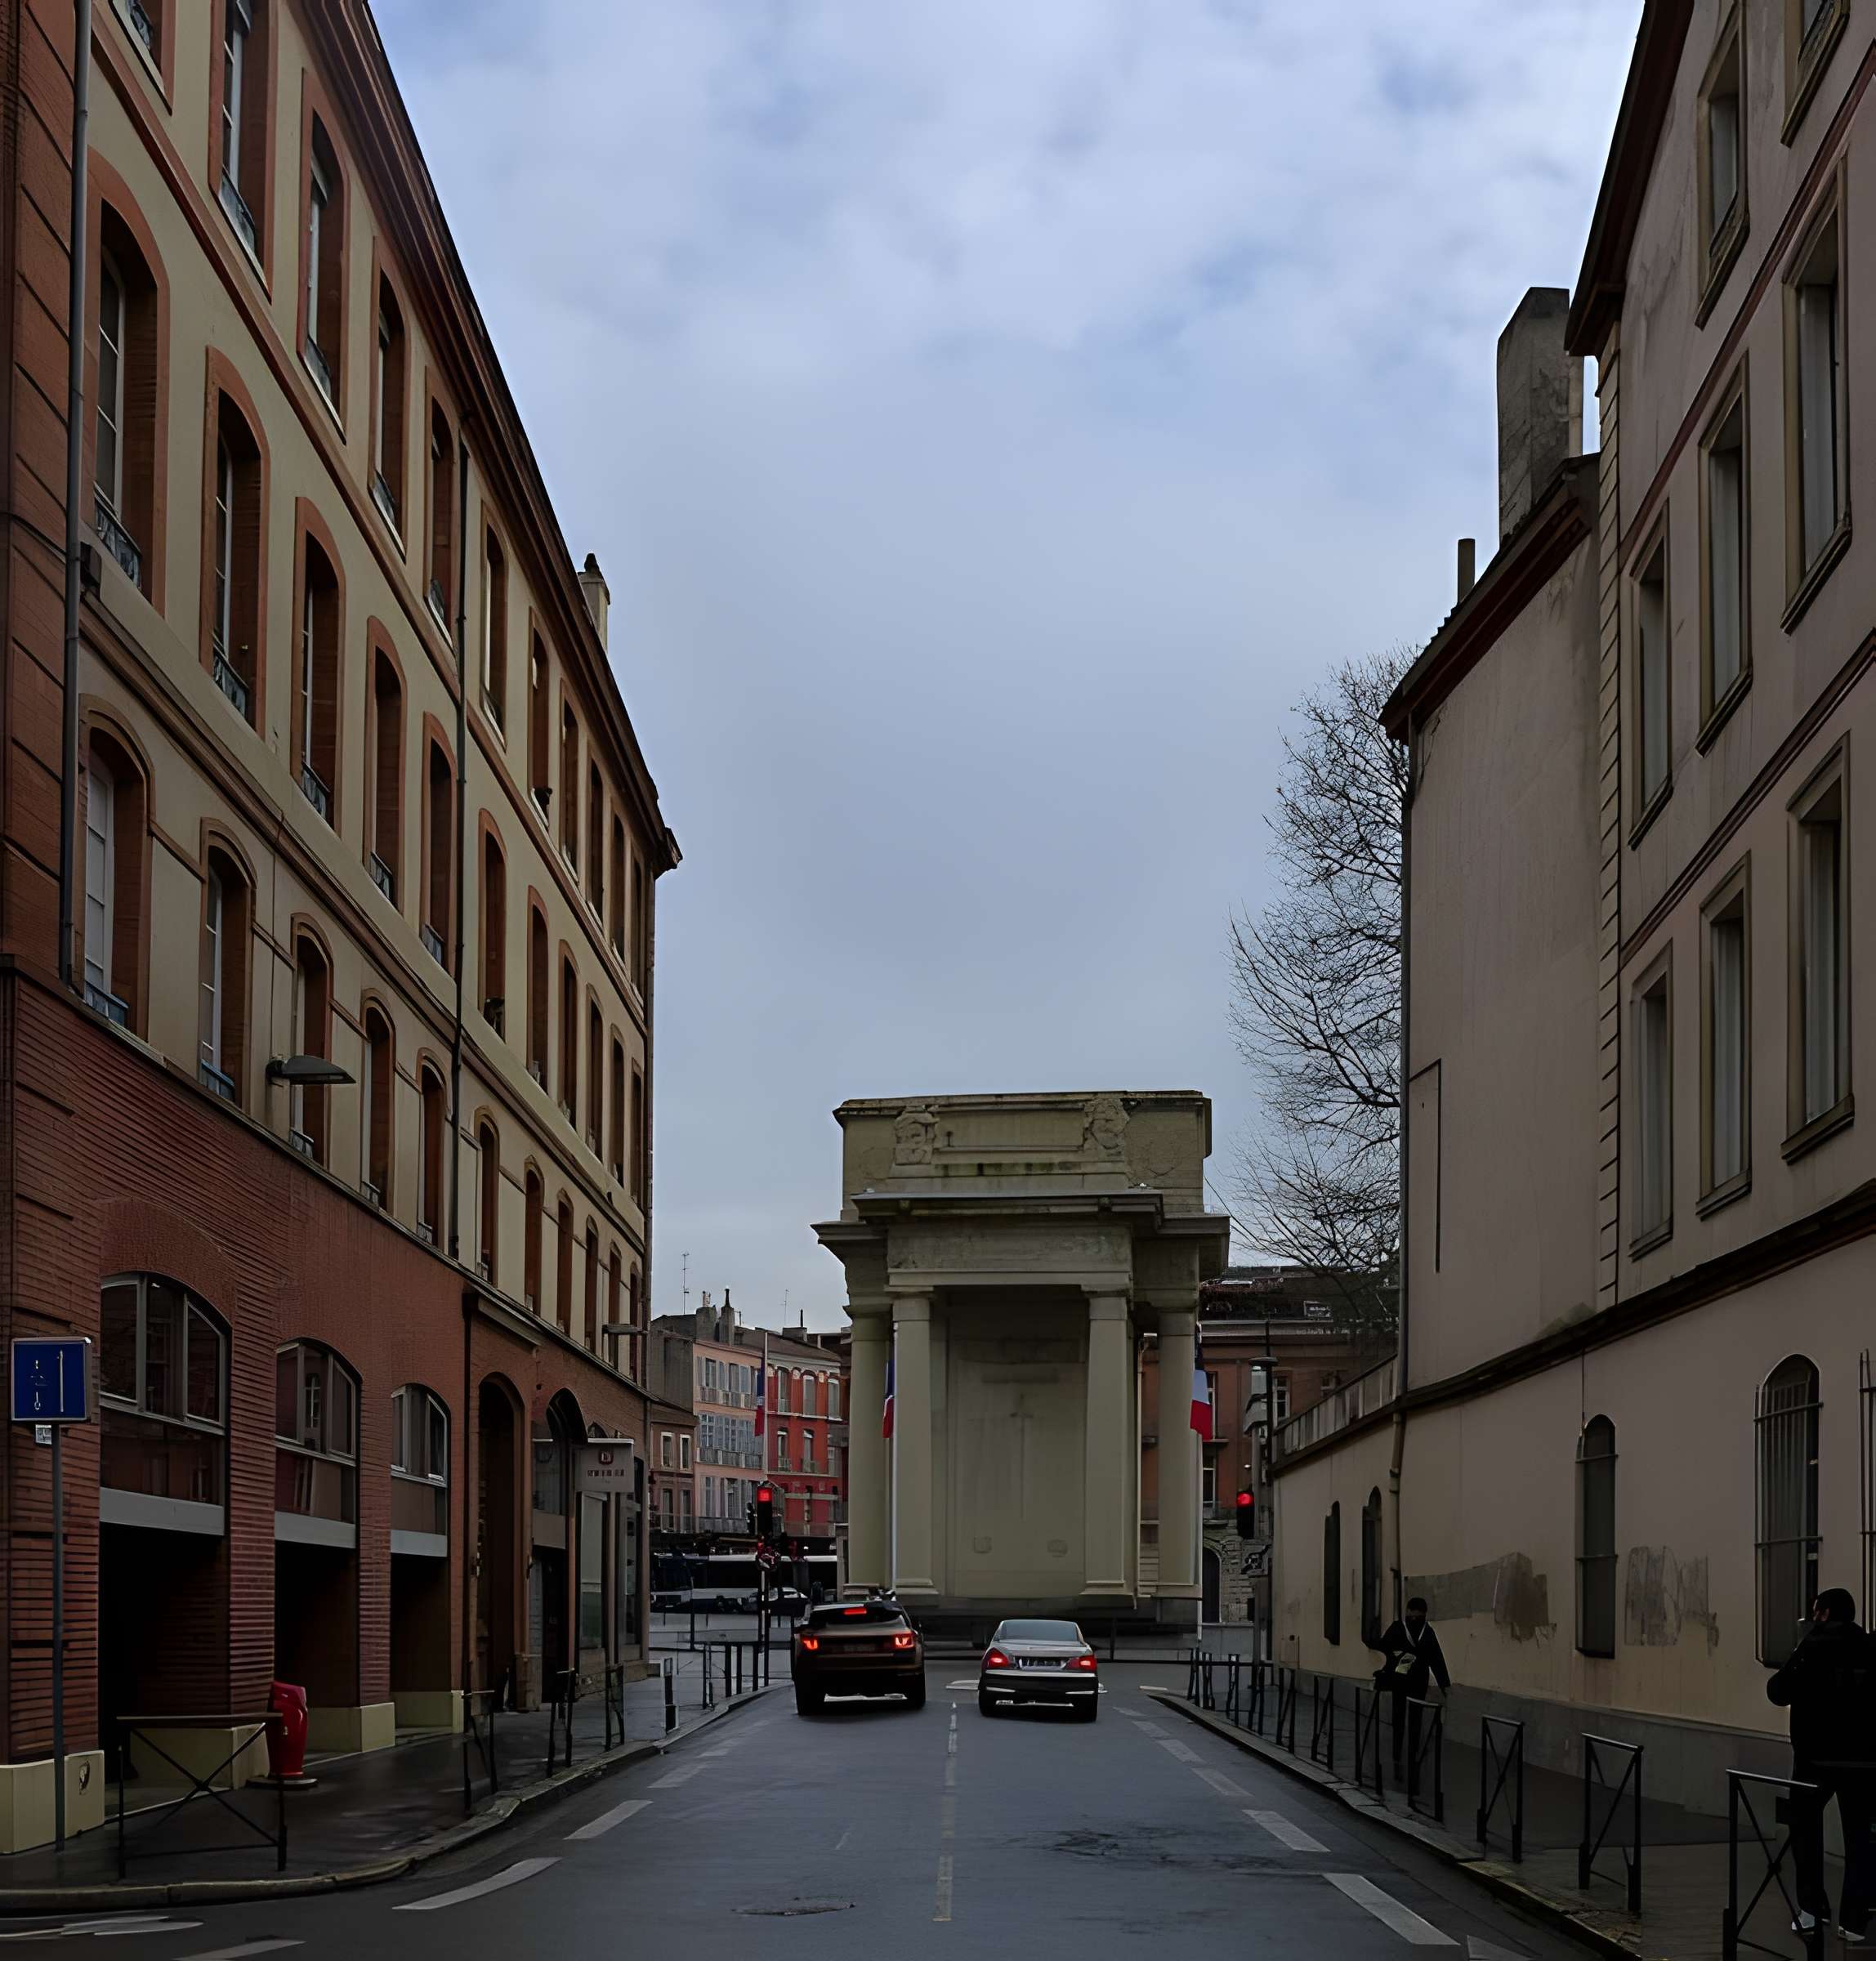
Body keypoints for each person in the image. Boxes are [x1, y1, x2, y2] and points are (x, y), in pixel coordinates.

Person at [1767, 1588, 1876, 1943]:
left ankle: (1812, 1910)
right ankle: (1854, 1922)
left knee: (1805, 1832)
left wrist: (1802, 1649)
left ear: (1825, 1613)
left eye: (1816, 1612)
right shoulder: (1869, 1647)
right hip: (1863, 1761)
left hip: (1813, 1759)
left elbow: (1777, 1691)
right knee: (1861, 1839)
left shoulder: (1810, 1648)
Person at [1371, 1597, 1451, 1784]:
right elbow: (1436, 1661)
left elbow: (1437, 1660)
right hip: (1409, 1681)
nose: (1414, 1619)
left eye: (1416, 1615)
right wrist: (1444, 1686)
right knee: (1406, 1717)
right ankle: (1404, 1754)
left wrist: (1444, 1685)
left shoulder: (1412, 1629)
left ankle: (1405, 1753)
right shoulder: (1414, 1630)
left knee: (1407, 1718)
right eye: (1412, 1615)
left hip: (1408, 1681)